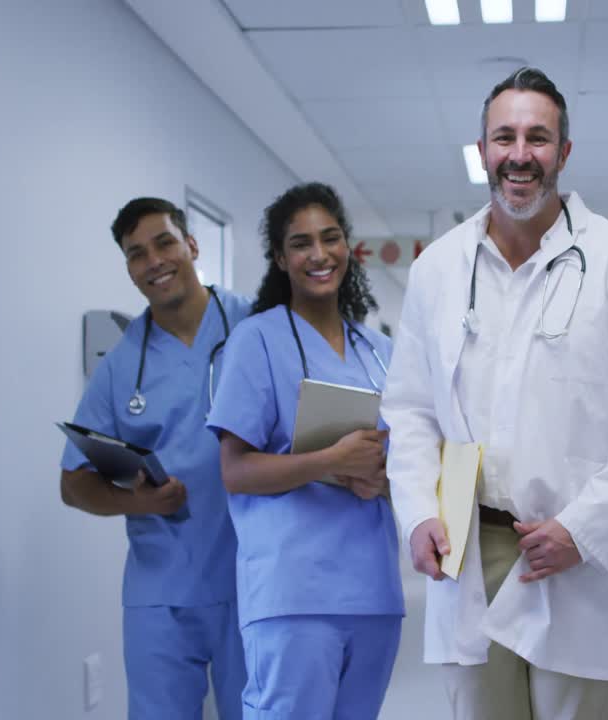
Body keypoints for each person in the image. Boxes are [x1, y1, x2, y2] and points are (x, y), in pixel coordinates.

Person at [380, 66, 608, 720]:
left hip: (571, 553)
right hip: (467, 546)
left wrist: (586, 528)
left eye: (538, 138)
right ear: (483, 150)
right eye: (504, 137)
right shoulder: (439, 268)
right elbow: (408, 407)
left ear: (564, 153)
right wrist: (416, 513)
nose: (520, 154)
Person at [206, 182, 403, 720]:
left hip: (374, 593)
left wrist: (383, 477)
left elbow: (405, 457)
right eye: (300, 243)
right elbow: (235, 470)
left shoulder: (380, 352)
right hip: (293, 594)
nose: (319, 254)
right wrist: (329, 462)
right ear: (279, 257)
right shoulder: (257, 340)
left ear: (348, 247)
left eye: (330, 237)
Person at [59, 197, 249, 720]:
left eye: (164, 242)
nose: (154, 261)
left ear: (191, 245)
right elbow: (73, 482)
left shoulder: (255, 325)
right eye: (136, 253)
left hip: (253, 579)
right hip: (162, 590)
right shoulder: (122, 365)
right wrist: (138, 503)